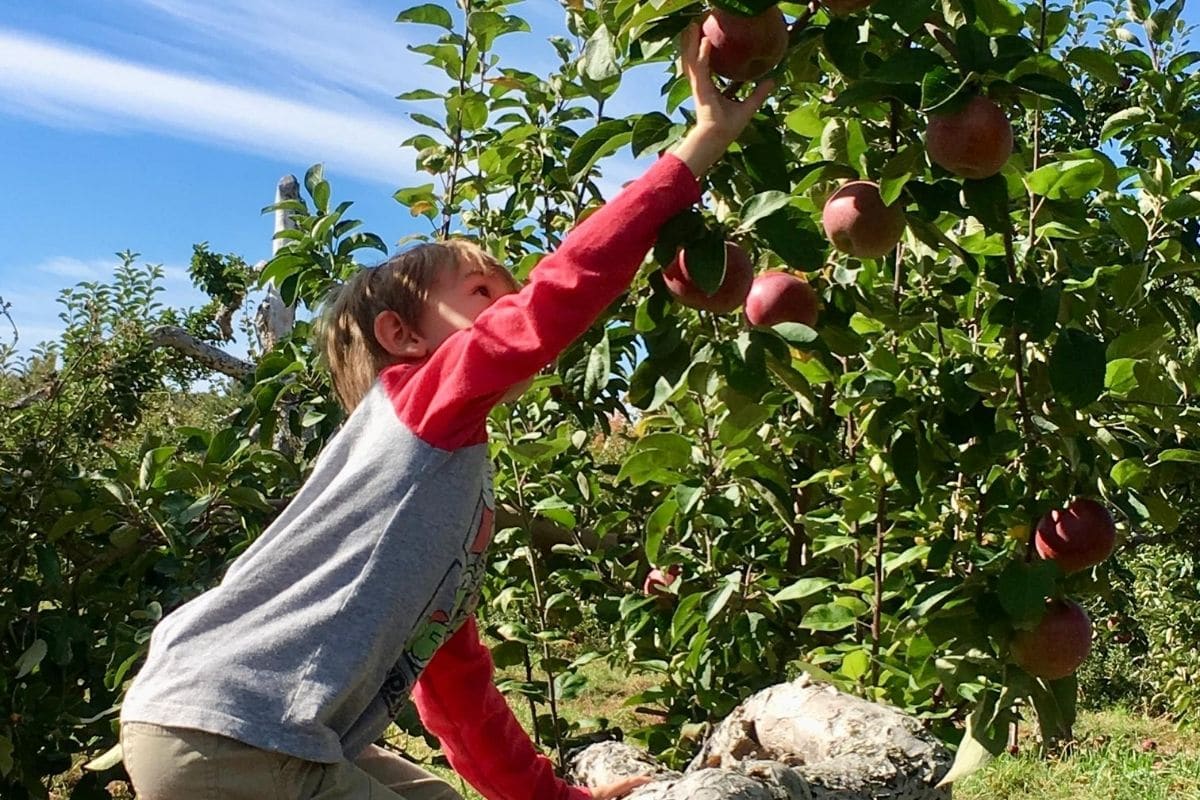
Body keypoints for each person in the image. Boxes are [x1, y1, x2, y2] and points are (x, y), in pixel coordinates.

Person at [118, 24, 774, 800]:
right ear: (403, 338)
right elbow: (559, 293)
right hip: (233, 726)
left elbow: (457, 696)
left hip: (249, 727)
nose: (511, 305)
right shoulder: (418, 404)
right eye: (482, 294)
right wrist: (697, 148)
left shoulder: (435, 503)